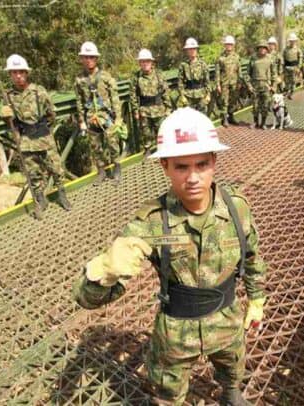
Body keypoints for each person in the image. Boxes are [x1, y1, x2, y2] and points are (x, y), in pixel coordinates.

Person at [72, 107, 267, 405]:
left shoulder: (236, 208)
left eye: (201, 164)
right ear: (165, 166)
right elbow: (85, 299)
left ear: (214, 161)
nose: (193, 177)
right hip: (176, 332)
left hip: (227, 319)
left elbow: (252, 256)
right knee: (167, 394)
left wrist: (256, 299)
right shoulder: (151, 222)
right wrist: (104, 273)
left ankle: (230, 392)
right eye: (181, 167)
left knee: (232, 367)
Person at [0, 54, 72, 212]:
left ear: (26, 73)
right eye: (14, 73)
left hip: (43, 135)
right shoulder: (8, 96)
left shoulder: (39, 91)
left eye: (20, 72)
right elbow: (10, 121)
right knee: (33, 172)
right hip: (25, 138)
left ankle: (62, 194)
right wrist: (5, 117)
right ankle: (40, 199)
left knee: (56, 168)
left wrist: (44, 128)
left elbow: (51, 114)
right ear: (10, 75)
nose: (18, 76)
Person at [74, 41, 124, 182]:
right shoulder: (79, 80)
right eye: (86, 57)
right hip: (91, 117)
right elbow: (79, 101)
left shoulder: (106, 76)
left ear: (96, 59)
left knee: (112, 143)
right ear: (82, 59)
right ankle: (101, 171)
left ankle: (117, 168)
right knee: (95, 147)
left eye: (91, 57)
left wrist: (118, 118)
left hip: (106, 115)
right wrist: (81, 120)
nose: (89, 60)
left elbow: (115, 98)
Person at [130, 49, 172, 157]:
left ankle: (163, 150)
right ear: (140, 63)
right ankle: (147, 150)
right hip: (144, 109)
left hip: (159, 108)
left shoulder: (158, 75)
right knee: (146, 132)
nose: (145, 64)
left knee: (161, 131)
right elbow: (133, 94)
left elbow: (165, 91)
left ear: (151, 62)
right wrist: (135, 110)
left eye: (147, 61)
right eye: (142, 62)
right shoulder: (136, 77)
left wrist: (168, 108)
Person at [246, 41, 276, 130]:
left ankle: (263, 123)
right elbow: (248, 73)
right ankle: (255, 122)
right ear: (258, 49)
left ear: (266, 49)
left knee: (266, 105)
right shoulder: (253, 58)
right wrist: (249, 85)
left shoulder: (270, 58)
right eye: (260, 48)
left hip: (266, 85)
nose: (262, 49)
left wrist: (274, 86)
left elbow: (274, 73)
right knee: (255, 105)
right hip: (255, 84)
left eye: (264, 48)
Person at [178, 37, 212, 114]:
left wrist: (208, 95)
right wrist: (182, 96)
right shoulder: (183, 65)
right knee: (190, 121)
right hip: (188, 97)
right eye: (190, 49)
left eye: (194, 49)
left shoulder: (203, 64)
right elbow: (180, 83)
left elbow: (207, 81)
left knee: (202, 119)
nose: (192, 51)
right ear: (187, 51)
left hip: (201, 96)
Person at [215, 35, 243, 127]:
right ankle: (225, 119)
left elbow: (239, 70)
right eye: (227, 44)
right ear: (225, 45)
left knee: (233, 101)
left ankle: (231, 116)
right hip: (224, 82)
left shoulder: (237, 56)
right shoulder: (220, 57)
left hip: (234, 82)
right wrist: (218, 84)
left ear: (233, 45)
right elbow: (217, 72)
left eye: (230, 44)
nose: (229, 46)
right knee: (224, 101)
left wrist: (240, 82)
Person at [282, 32, 303, 99]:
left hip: (294, 67)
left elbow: (300, 58)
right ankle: (287, 92)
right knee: (286, 81)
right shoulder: (286, 49)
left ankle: (291, 93)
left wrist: (299, 67)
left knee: (293, 81)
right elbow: (283, 57)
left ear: (295, 41)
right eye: (291, 41)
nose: (292, 42)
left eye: (293, 41)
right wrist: (282, 66)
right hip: (287, 67)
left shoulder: (298, 49)